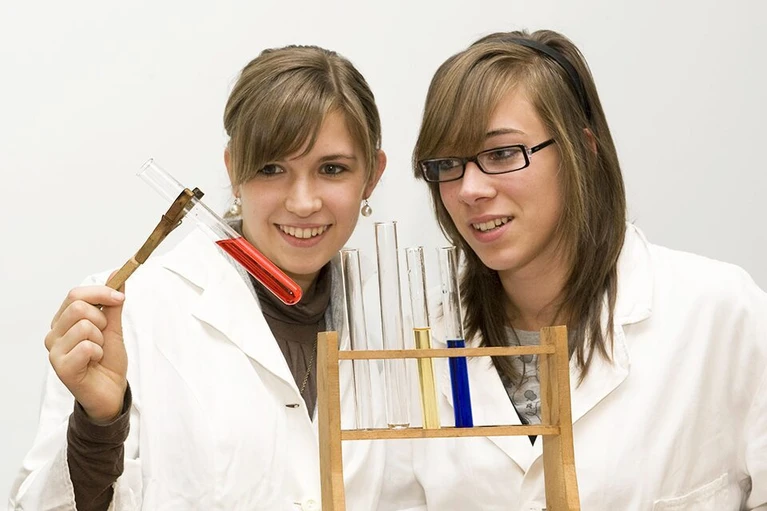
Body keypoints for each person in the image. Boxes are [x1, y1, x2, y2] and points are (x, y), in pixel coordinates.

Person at [382, 29, 767, 510]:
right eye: (447, 164)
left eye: (502, 153)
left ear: (582, 149)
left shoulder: (720, 314)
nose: (469, 190)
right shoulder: (416, 342)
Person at [10, 45, 387, 510]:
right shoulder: (126, 316)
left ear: (372, 175)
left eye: (332, 169)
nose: (303, 202)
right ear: (234, 170)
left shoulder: (404, 318)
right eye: (271, 168)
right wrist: (99, 424)